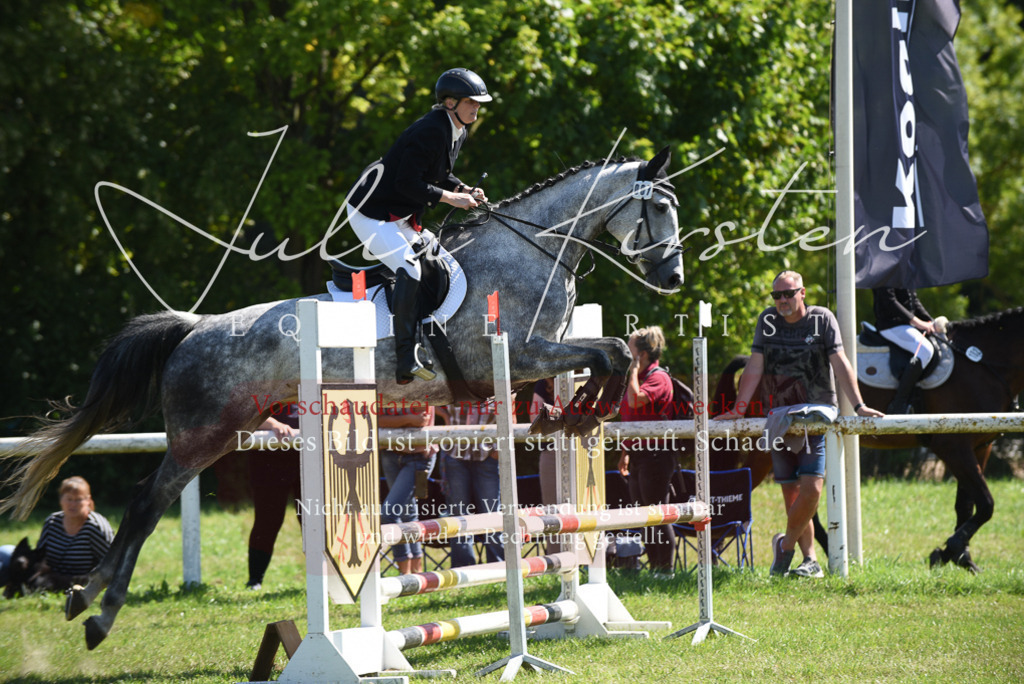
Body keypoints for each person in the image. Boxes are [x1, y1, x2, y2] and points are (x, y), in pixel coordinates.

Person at [716, 271, 883, 579]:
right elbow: (755, 365)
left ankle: (784, 547)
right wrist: (739, 410)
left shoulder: (822, 319)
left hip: (815, 417)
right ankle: (810, 561)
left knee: (812, 490)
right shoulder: (767, 321)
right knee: (791, 494)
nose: (782, 300)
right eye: (776, 295)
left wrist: (858, 406)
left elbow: (840, 361)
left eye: (788, 294)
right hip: (777, 417)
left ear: (802, 292)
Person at [346, 68, 492, 384]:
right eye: (471, 102)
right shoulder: (431, 130)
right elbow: (408, 183)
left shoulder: (457, 130)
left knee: (437, 263)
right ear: (450, 102)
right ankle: (405, 358)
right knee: (410, 269)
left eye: (479, 103)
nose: (477, 108)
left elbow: (436, 173)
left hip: (400, 214)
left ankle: (425, 335)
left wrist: (464, 189)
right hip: (372, 213)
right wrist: (453, 200)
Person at [616, 325, 678, 579]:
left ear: (641, 354)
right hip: (638, 453)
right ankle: (655, 568)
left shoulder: (657, 378)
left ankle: (665, 569)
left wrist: (631, 370)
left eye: (629, 350)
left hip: (657, 455)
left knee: (656, 512)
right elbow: (628, 417)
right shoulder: (638, 377)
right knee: (644, 514)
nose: (625, 355)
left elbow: (635, 400)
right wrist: (624, 452)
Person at [442, 401, 504, 566]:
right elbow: (432, 402)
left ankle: (499, 567)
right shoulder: (453, 382)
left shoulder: (495, 381)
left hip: (487, 455)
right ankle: (463, 568)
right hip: (455, 453)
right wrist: (446, 418)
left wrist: (498, 450)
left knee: (491, 511)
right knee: (458, 512)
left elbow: (508, 415)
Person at [379, 404, 439, 574]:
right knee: (407, 513)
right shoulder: (384, 384)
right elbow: (375, 420)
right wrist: (407, 419)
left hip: (419, 456)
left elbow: (421, 421)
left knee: (389, 514)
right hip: (390, 453)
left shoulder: (421, 381)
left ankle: (406, 572)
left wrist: (392, 422)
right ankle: (414, 573)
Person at [245, 413, 301, 590]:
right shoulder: (262, 384)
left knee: (314, 521)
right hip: (268, 457)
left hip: (309, 455)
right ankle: (255, 580)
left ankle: (326, 578)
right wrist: (273, 423)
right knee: (268, 521)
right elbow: (246, 410)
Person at [873, 287, 937, 414]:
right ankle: (899, 404)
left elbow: (913, 299)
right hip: (891, 325)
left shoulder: (906, 268)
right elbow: (889, 300)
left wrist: (930, 321)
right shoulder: (885, 268)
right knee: (925, 350)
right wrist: (918, 322)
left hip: (908, 325)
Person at [37, 476, 114, 581]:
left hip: (85, 582)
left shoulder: (95, 526)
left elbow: (112, 562)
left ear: (88, 500)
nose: (73, 504)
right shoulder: (52, 521)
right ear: (61, 499)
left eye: (78, 500)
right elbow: (39, 555)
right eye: (69, 499)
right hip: (49, 579)